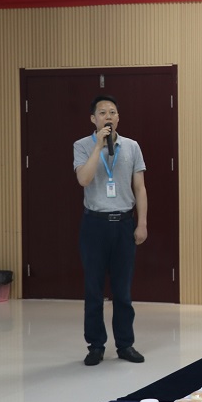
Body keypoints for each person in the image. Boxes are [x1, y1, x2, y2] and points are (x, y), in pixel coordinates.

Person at [73, 95, 148, 365]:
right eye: (103, 113)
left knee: (123, 291)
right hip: (94, 225)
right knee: (94, 290)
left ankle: (125, 345)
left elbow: (139, 187)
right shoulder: (82, 146)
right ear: (93, 119)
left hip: (124, 224)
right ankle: (95, 346)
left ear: (118, 118)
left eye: (113, 112)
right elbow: (84, 179)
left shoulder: (132, 146)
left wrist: (142, 223)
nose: (108, 117)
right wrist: (98, 146)